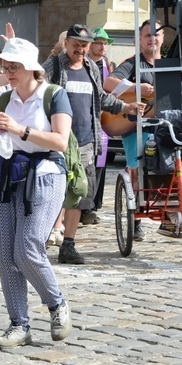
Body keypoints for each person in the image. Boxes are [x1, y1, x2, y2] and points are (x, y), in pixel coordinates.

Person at [0, 37, 73, 348]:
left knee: (27, 248)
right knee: (5, 255)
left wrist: (20, 130)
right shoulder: (4, 99)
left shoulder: (54, 95)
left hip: (45, 174)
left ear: (32, 69)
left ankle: (56, 304)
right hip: (6, 175)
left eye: (14, 66)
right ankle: (19, 324)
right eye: (5, 67)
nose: (8, 72)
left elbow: (61, 141)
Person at [42, 24, 144, 265]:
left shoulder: (92, 68)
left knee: (79, 194)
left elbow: (100, 97)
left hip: (87, 141)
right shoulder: (54, 67)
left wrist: (125, 107)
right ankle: (40, 240)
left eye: (84, 46)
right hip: (57, 140)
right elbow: (37, 91)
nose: (80, 50)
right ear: (66, 43)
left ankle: (68, 245)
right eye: (76, 45)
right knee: (50, 192)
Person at [103, 20, 164, 241]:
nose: (152, 39)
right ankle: (136, 218)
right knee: (136, 168)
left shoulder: (168, 65)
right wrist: (136, 87)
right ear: (138, 40)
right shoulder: (132, 64)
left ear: (162, 38)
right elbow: (109, 83)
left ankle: (171, 212)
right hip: (135, 127)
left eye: (156, 35)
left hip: (162, 127)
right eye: (147, 35)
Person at [87, 27, 116, 220]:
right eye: (99, 42)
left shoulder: (109, 66)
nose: (103, 46)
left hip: (104, 119)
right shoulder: (85, 64)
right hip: (87, 118)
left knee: (100, 162)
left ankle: (93, 205)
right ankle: (83, 207)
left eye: (105, 44)